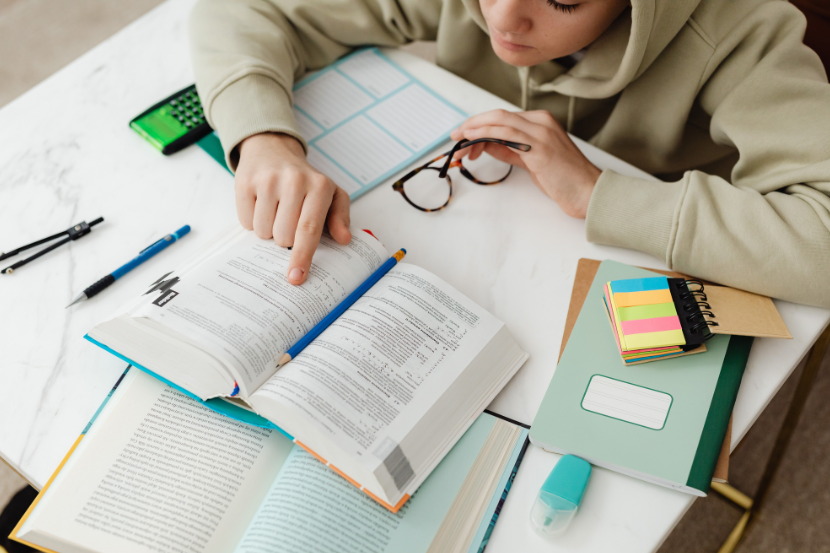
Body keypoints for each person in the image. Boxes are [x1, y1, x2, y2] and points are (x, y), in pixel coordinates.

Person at [189, 0, 830, 308]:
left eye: (563, 1)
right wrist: (262, 137)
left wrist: (600, 193)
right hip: (482, 260)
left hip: (655, 281)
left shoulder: (745, 30)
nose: (502, 19)